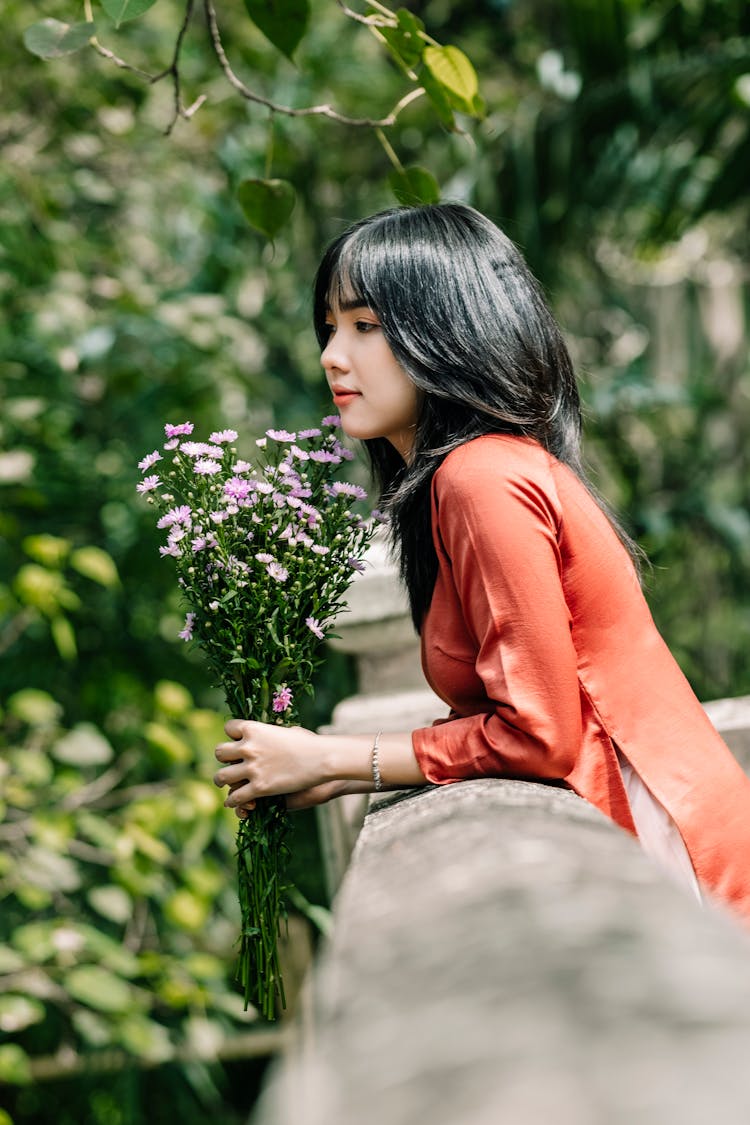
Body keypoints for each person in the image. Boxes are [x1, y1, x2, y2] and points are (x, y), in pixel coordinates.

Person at [214, 202, 750, 923]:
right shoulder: (465, 480)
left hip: (665, 849)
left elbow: (540, 733)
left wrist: (333, 758)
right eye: (331, 327)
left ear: (447, 331)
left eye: (365, 326)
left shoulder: (481, 478)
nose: (332, 356)